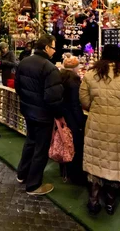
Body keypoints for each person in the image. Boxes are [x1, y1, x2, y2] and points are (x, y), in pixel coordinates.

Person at [79, 44, 120, 215]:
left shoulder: (89, 75)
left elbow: (84, 101)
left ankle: (93, 200)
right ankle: (110, 201)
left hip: (96, 123)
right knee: (115, 161)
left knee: (96, 159)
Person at [15, 35, 63, 196]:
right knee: (40, 149)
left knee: (30, 142)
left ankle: (22, 174)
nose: (55, 51)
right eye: (54, 47)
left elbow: (18, 87)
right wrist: (58, 114)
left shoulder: (24, 62)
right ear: (46, 48)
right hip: (43, 114)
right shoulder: (49, 67)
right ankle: (33, 185)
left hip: (28, 110)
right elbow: (53, 97)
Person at [58, 54, 86, 185]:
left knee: (65, 142)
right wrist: (80, 121)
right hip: (72, 117)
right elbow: (75, 104)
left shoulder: (59, 76)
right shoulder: (74, 81)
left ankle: (64, 170)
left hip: (62, 115)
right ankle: (76, 175)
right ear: (75, 67)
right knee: (75, 145)